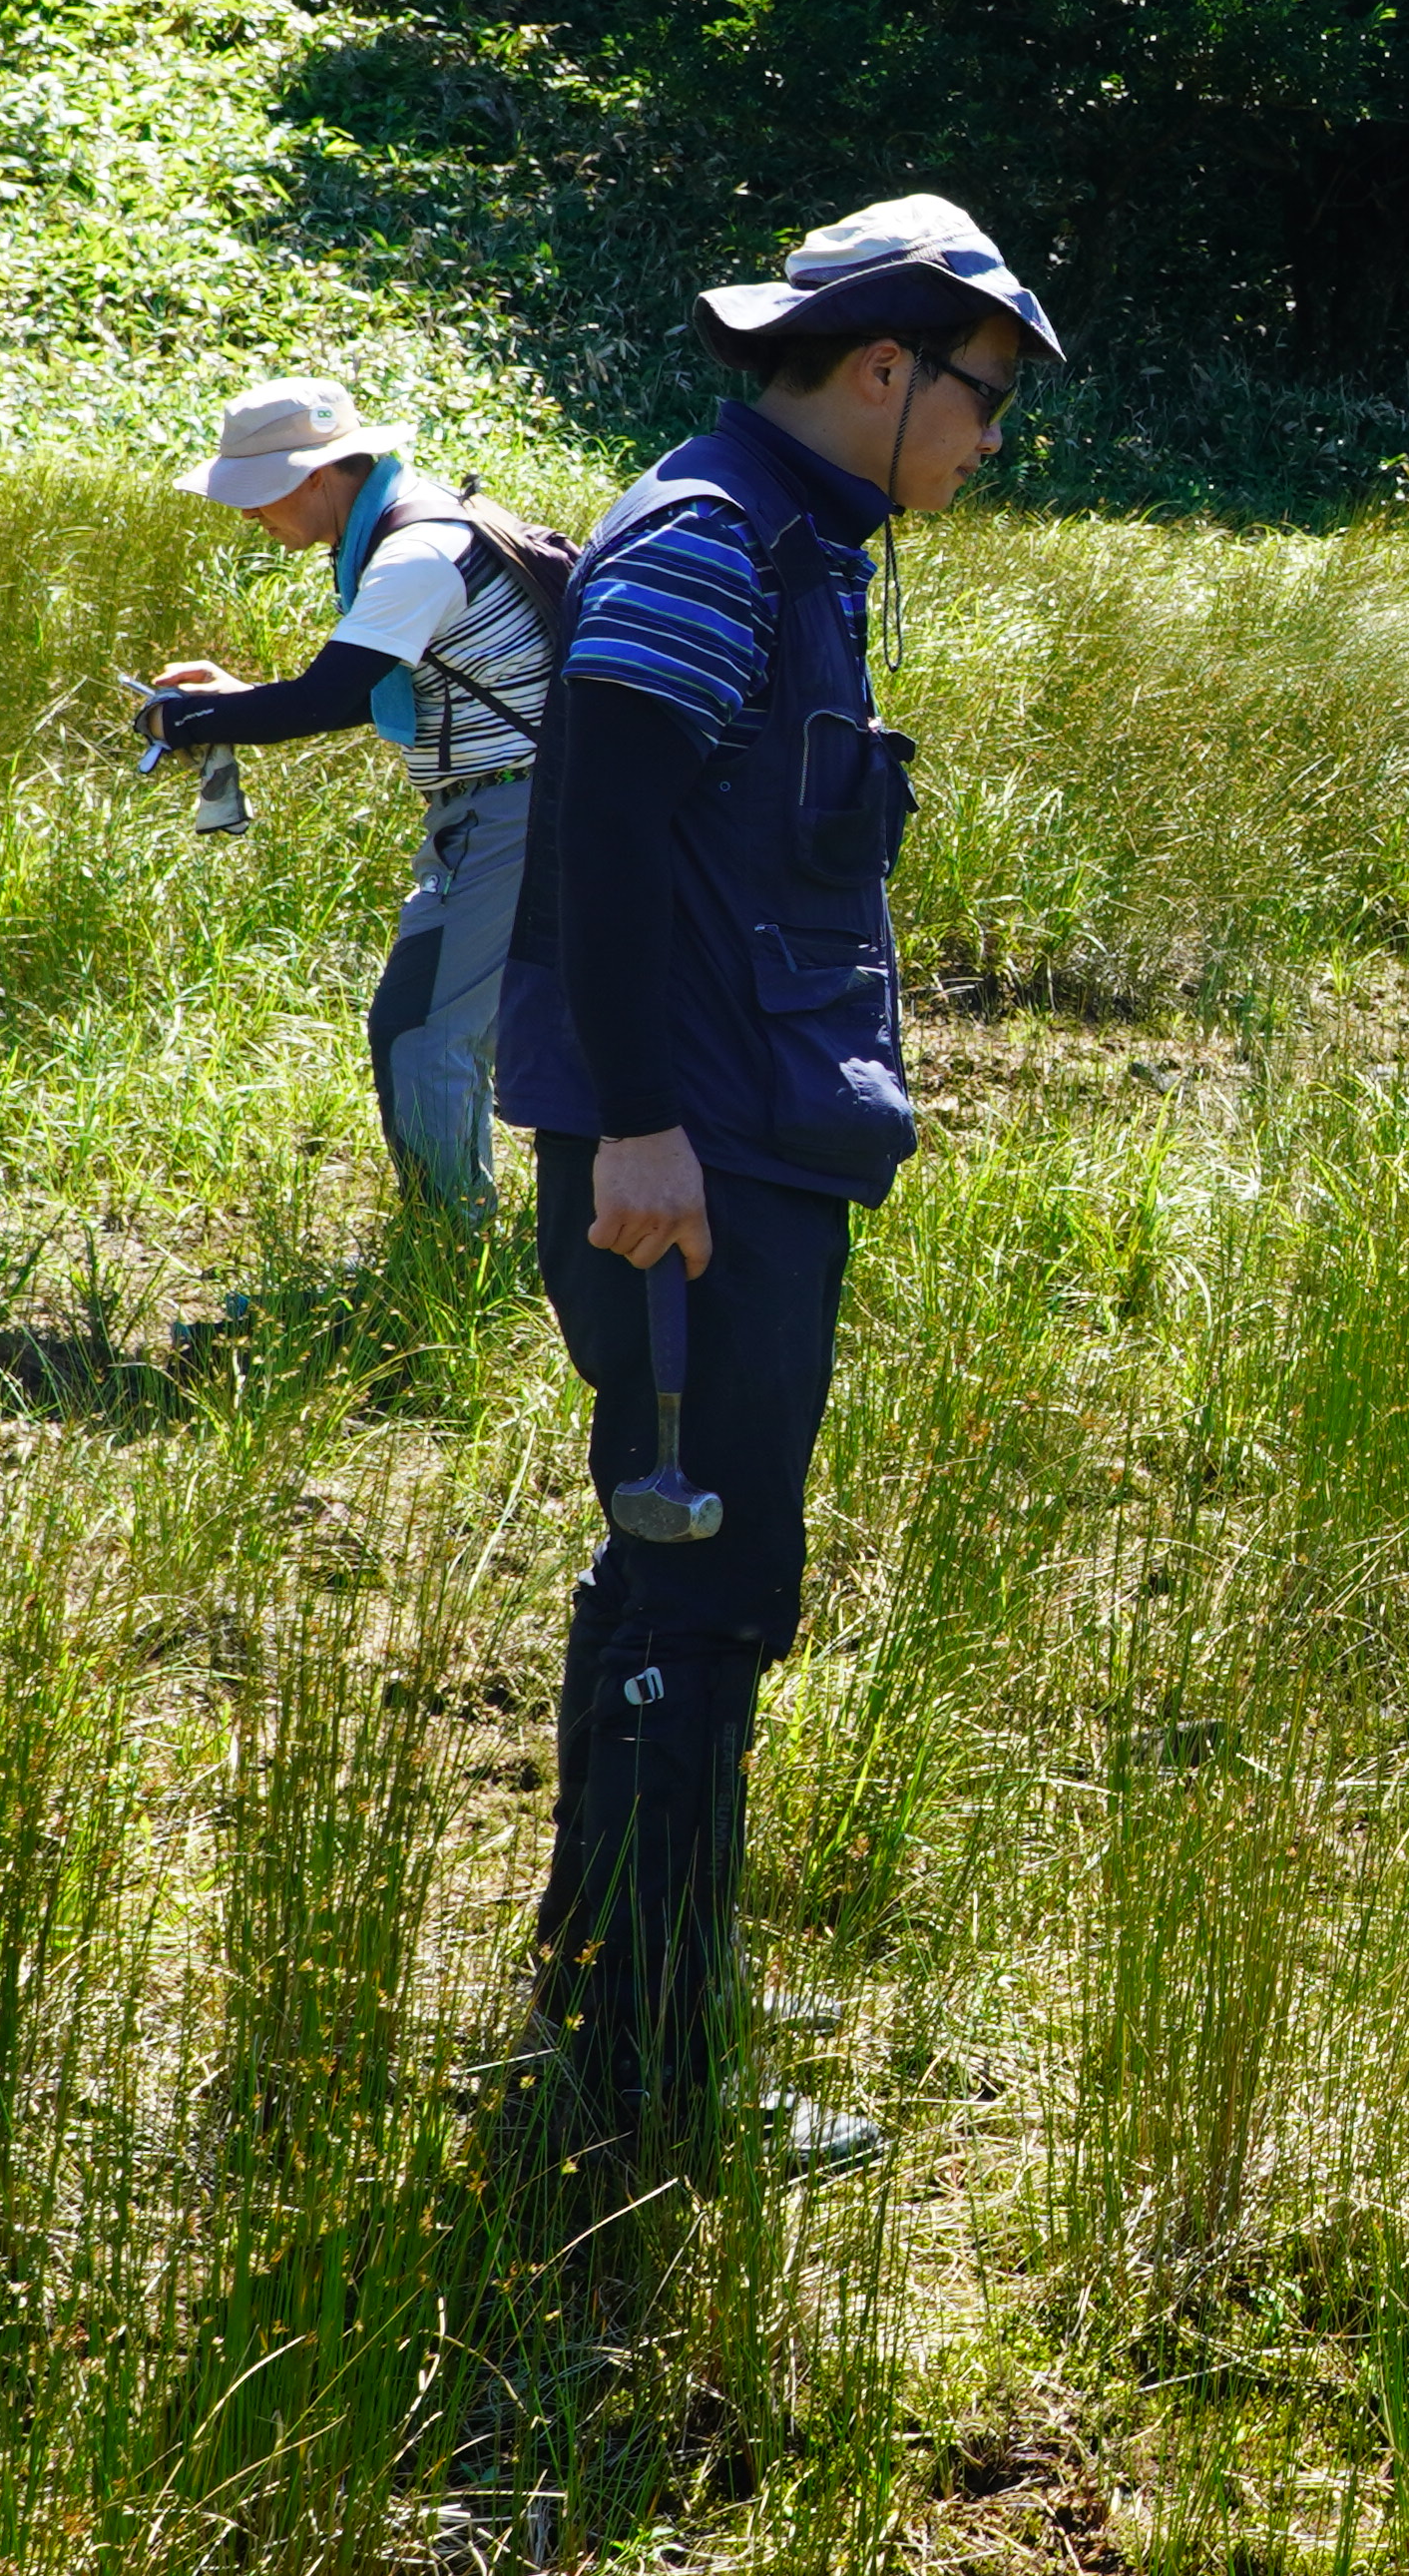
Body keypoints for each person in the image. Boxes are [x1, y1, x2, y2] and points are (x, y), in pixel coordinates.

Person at [490, 197, 1051, 2190]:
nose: (991, 441)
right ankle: (654, 2079)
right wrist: (641, 1124)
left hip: (738, 1142)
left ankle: (629, 1967)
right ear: (885, 365)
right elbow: (599, 829)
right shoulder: (715, 533)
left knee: (681, 1562)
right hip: (692, 1164)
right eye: (985, 397)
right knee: (702, 1579)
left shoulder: (793, 537)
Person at [144, 377, 565, 1213]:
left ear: (315, 476)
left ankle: (449, 1241)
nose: (247, 515)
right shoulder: (419, 519)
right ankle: (470, 1227)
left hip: (509, 811)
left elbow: (320, 701)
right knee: (442, 1026)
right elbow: (361, 689)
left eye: (256, 494)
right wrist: (236, 701)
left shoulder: (413, 554)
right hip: (527, 805)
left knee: (422, 1031)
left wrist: (177, 722)